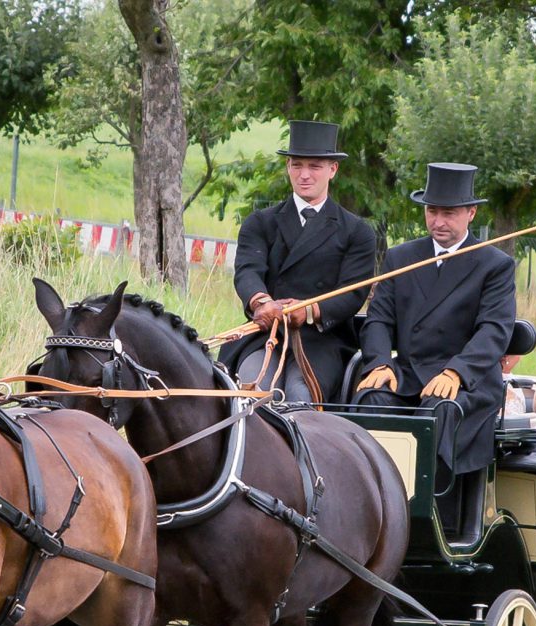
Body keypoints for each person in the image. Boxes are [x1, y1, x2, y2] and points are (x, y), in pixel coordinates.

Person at [355, 162, 516, 484]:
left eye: (449, 213)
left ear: (471, 213)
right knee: (372, 397)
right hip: (411, 372)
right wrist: (380, 362)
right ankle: (369, 496)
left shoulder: (495, 265)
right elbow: (378, 319)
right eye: (432, 212)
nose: (438, 222)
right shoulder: (401, 258)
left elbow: (494, 329)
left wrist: (456, 371)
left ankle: (429, 505)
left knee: (440, 408)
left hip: (469, 380)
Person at [219, 120, 377, 403]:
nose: (304, 175)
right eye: (297, 165)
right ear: (288, 167)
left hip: (323, 341)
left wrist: (308, 311)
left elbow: (353, 292)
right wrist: (262, 303)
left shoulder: (356, 231)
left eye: (314, 166)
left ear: (333, 170)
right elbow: (247, 271)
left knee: (299, 396)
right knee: (250, 391)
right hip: (265, 333)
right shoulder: (260, 223)